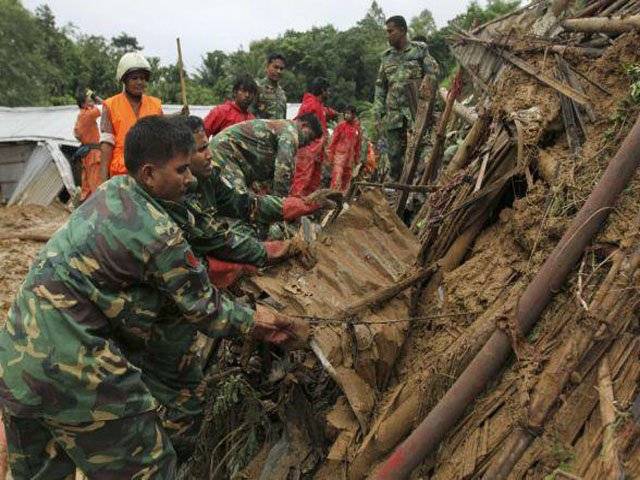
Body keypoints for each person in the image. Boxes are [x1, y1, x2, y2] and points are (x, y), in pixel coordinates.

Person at [0, 116, 299, 479]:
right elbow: (208, 311)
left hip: (15, 358)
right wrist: (260, 322)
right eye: (181, 170)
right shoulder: (158, 233)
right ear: (149, 174)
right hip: (75, 370)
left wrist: (261, 250)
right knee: (150, 470)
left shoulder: (115, 192)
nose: (190, 179)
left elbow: (207, 232)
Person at [161, 116, 332, 288]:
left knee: (251, 233)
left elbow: (245, 203)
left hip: (205, 246)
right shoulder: (173, 194)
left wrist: (300, 205)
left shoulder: (207, 178)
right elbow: (219, 240)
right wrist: (277, 250)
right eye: (202, 149)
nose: (210, 154)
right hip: (175, 280)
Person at [373, 15, 439, 181]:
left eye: (391, 31)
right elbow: (380, 85)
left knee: (422, 150)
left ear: (402, 30)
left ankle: (422, 187)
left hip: (415, 112)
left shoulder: (419, 50)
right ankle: (397, 192)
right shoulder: (386, 57)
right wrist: (378, 110)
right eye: (387, 31)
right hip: (393, 115)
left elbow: (433, 75)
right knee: (394, 157)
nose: (388, 35)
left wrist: (429, 103)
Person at [211, 114, 323, 196]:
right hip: (225, 149)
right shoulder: (291, 132)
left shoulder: (283, 127)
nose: (308, 143)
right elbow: (283, 170)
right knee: (239, 198)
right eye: (310, 137)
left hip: (231, 153)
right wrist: (281, 205)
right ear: (304, 125)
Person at [100, 52, 163, 180]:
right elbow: (107, 145)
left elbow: (163, 135)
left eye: (143, 78)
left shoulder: (155, 104)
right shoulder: (110, 105)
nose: (140, 82)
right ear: (124, 79)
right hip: (121, 174)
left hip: (150, 174)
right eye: (134, 78)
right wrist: (103, 179)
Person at [290, 77, 337, 197]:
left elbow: (325, 112)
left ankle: (306, 208)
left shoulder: (317, 105)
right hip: (308, 150)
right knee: (302, 180)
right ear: (323, 90)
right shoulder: (311, 105)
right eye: (328, 91)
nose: (329, 93)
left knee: (313, 182)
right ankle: (295, 208)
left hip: (316, 151)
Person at [73, 89, 103, 200]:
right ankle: (99, 210)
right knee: (96, 184)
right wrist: (96, 97)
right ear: (84, 104)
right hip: (93, 154)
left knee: (87, 186)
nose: (93, 103)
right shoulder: (88, 114)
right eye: (90, 100)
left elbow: (76, 134)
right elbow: (107, 106)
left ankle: (85, 208)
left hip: (86, 154)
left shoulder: (80, 116)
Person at [328, 105, 362, 192]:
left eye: (349, 113)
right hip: (339, 156)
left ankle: (343, 197)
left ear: (354, 115)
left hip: (350, 158)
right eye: (345, 113)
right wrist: (331, 156)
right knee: (337, 177)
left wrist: (357, 159)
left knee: (347, 179)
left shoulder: (357, 128)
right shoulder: (341, 126)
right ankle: (333, 194)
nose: (347, 115)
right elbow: (333, 142)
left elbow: (358, 145)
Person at [252, 53, 287, 120]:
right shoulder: (257, 87)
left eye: (281, 69)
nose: (279, 71)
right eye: (275, 67)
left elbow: (284, 119)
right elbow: (249, 113)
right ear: (267, 67)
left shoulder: (282, 93)